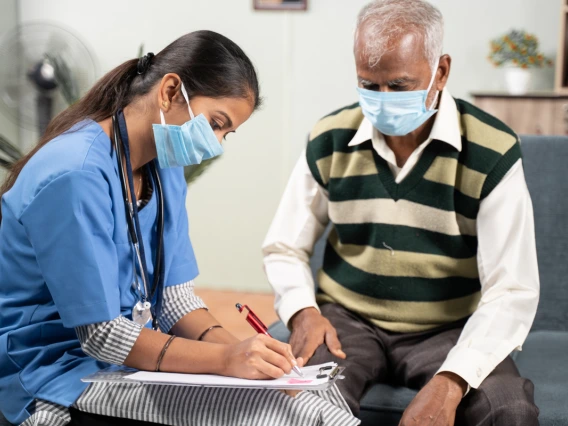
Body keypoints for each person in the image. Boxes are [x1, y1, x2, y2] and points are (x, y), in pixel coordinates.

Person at [0, 30, 358, 426]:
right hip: (58, 373)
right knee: (284, 417)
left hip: (128, 360)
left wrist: (252, 355)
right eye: (217, 123)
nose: (218, 144)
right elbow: (101, 336)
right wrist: (224, 360)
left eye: (227, 133)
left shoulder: (162, 166)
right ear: (170, 91)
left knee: (316, 409)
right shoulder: (74, 174)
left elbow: (174, 300)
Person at [262, 1, 540, 425]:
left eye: (399, 84)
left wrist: (452, 380)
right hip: (346, 323)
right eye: (368, 84)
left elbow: (512, 288)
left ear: (441, 71)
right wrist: (303, 311)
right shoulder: (329, 138)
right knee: (300, 403)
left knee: (509, 409)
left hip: (447, 328)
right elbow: (284, 245)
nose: (382, 99)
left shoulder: (492, 149)